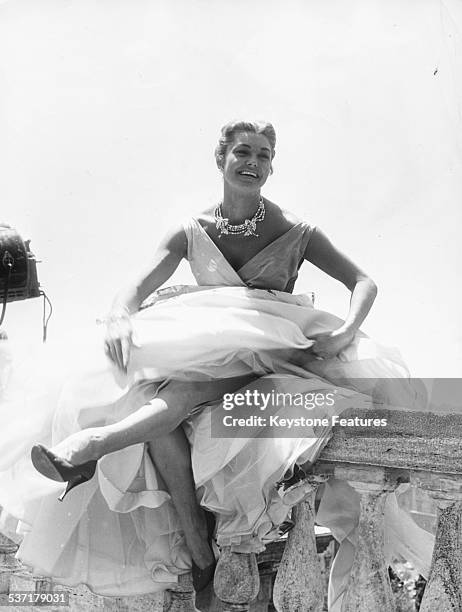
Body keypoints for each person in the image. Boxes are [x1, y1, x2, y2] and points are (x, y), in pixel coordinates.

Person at [0, 120, 432, 607]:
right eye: (243, 152)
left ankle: (92, 447)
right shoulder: (190, 229)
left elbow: (364, 282)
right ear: (221, 159)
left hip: (274, 351)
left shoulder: (296, 230)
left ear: (272, 165)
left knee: (175, 394)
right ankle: (197, 548)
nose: (253, 163)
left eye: (264, 155)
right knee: (150, 402)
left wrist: (346, 332)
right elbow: (133, 289)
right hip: (207, 344)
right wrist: (121, 316)